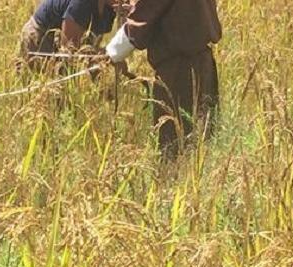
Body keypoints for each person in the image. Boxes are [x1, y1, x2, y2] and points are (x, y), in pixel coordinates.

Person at [104, 0, 221, 157]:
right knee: (201, 146)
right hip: (203, 64)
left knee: (173, 149)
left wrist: (110, 55)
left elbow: (140, 23)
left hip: (178, 71)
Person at [19, 0, 129, 70]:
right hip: (40, 39)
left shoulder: (110, 8)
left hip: (67, 43)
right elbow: (68, 49)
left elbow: (92, 40)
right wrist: (105, 58)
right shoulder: (82, 3)